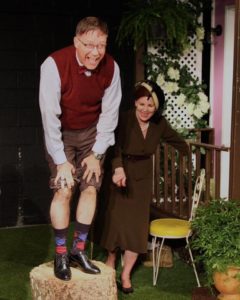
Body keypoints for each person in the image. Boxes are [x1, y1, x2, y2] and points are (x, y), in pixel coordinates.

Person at [39, 16, 122, 281]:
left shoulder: (112, 68)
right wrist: (61, 159)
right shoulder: (53, 65)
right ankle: (61, 253)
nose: (95, 52)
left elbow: (110, 115)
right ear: (76, 42)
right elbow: (49, 117)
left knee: (89, 187)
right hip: (61, 132)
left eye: (101, 45)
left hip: (92, 133)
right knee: (65, 188)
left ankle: (78, 250)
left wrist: (97, 154)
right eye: (88, 45)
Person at [100, 80, 189, 293]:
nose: (145, 110)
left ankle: (126, 274)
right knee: (115, 225)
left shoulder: (160, 124)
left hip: (142, 179)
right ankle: (111, 262)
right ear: (135, 103)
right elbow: (114, 147)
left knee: (136, 228)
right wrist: (118, 168)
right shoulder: (124, 118)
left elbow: (178, 142)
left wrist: (191, 159)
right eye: (141, 104)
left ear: (156, 107)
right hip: (119, 174)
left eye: (150, 106)